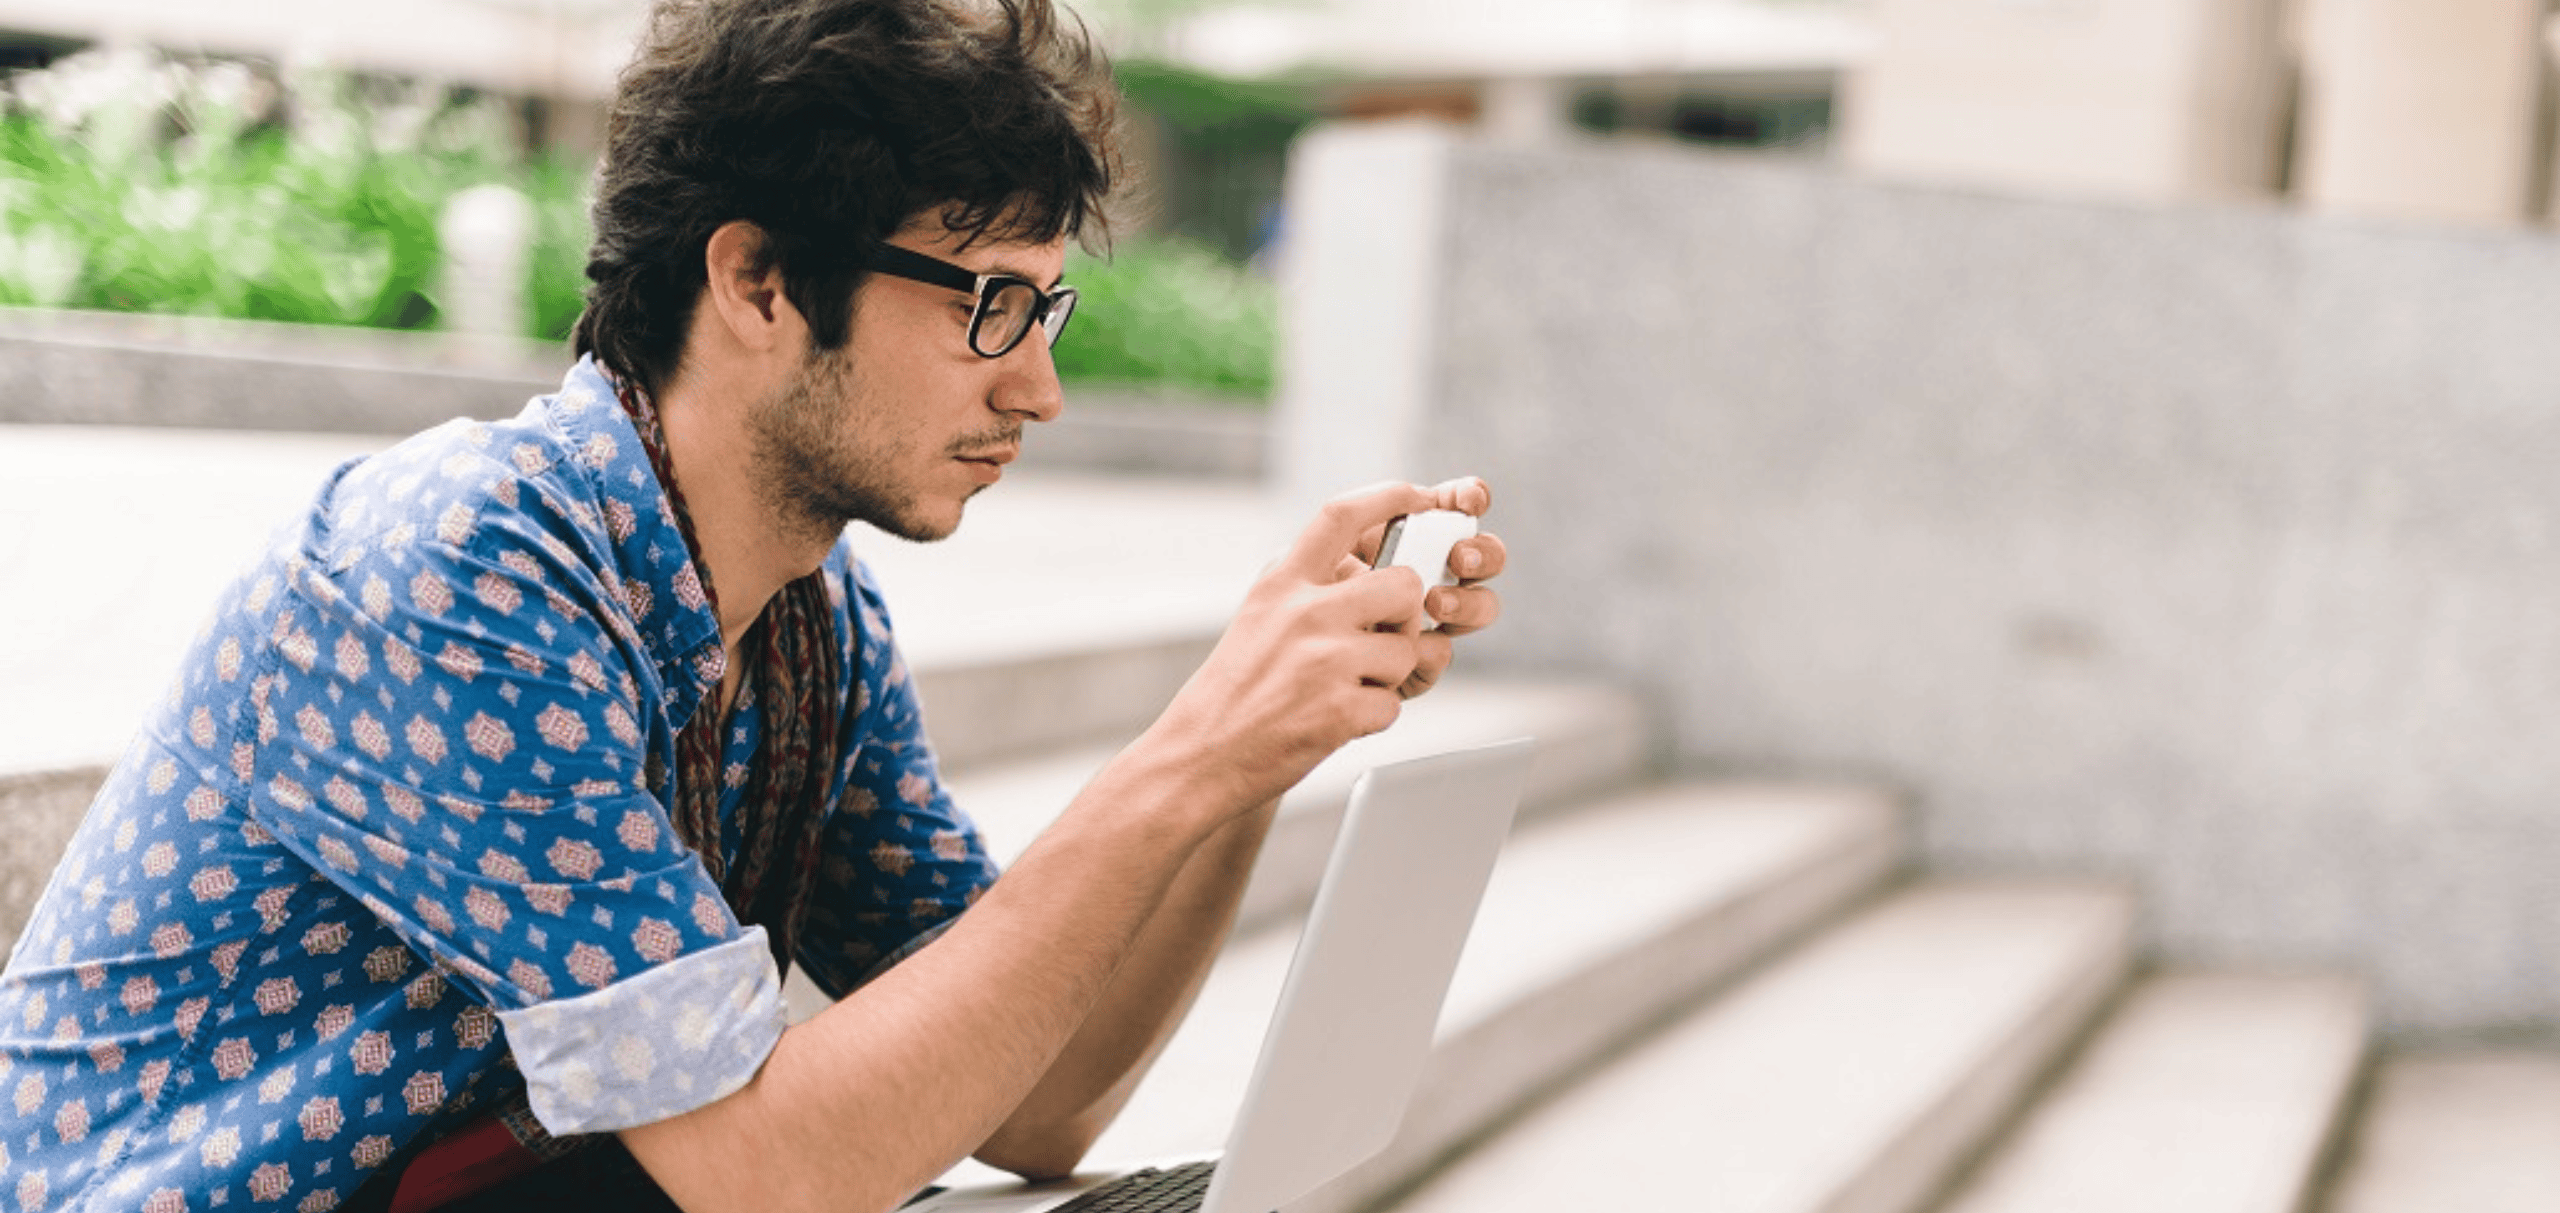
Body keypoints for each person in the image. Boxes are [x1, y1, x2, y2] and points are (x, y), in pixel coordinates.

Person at [0, 0, 1506, 1209]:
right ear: (760, 282)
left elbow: (1040, 1108)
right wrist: (1193, 745)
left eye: (1047, 310)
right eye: (988, 303)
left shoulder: (804, 622)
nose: (1037, 388)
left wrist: (1251, 754)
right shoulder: (451, 579)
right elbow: (764, 1176)